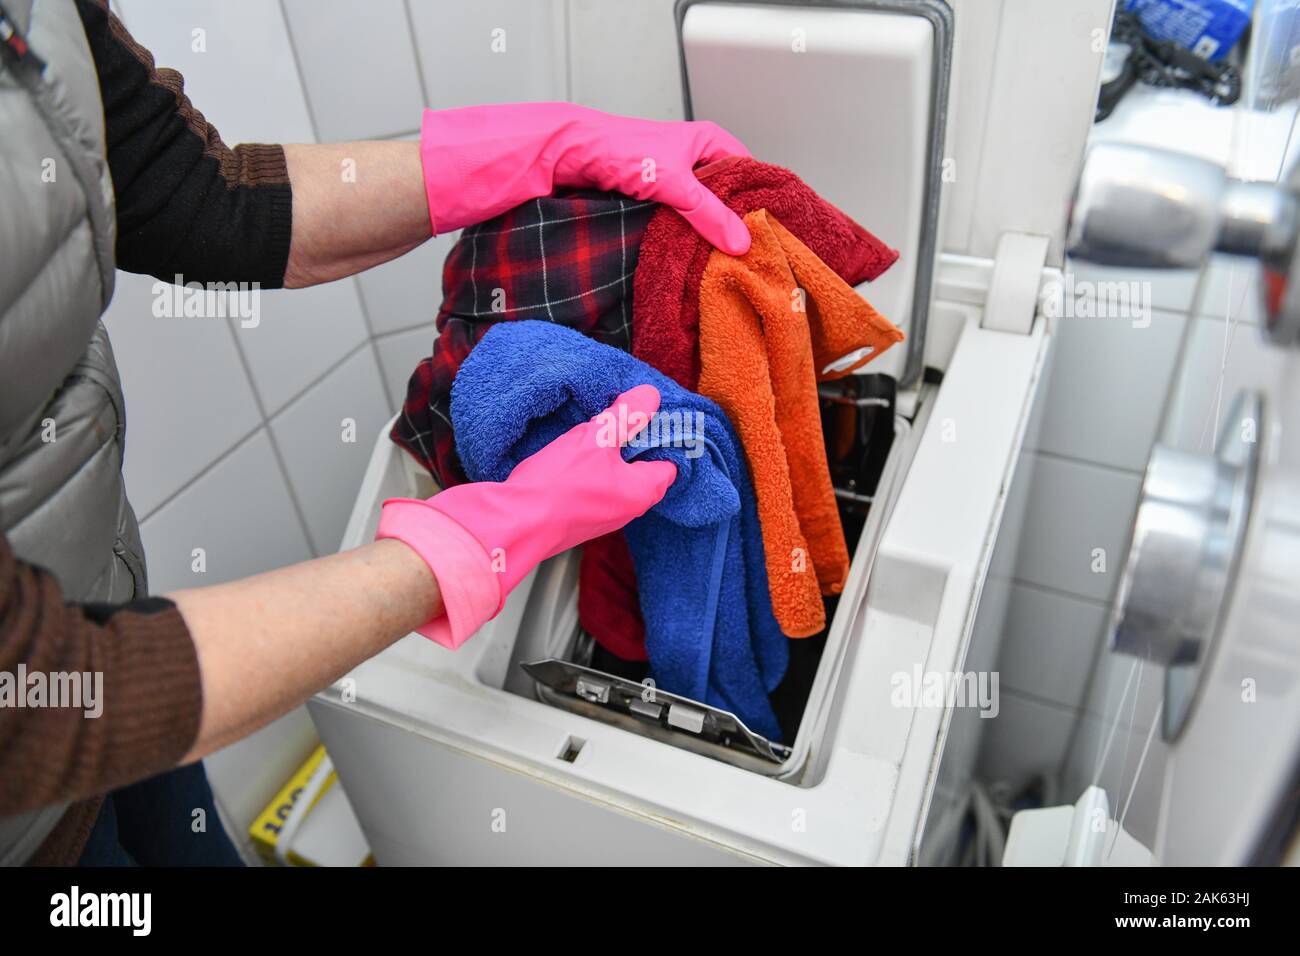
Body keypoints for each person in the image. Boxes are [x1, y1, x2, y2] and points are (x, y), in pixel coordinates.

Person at [0, 0, 751, 866]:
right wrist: (481, 540)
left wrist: (551, 146)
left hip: (105, 616)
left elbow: (196, 196)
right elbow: (37, 701)